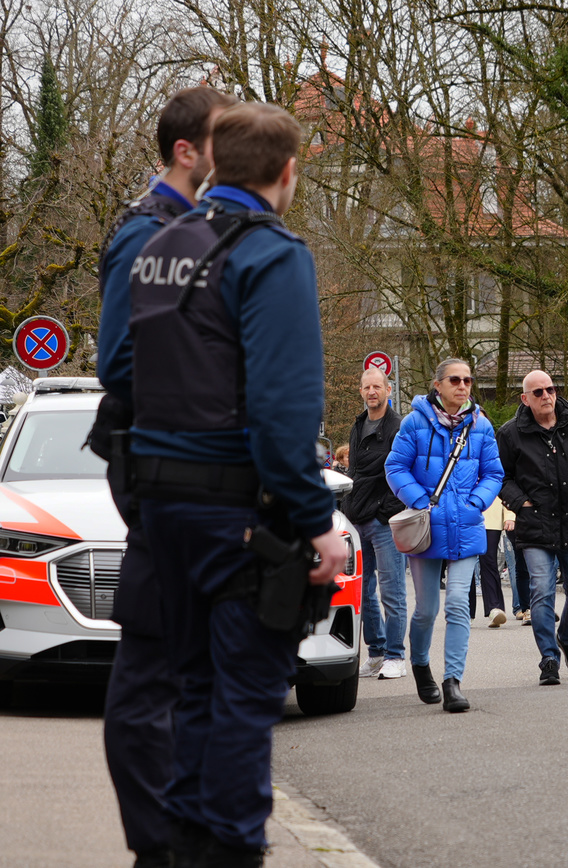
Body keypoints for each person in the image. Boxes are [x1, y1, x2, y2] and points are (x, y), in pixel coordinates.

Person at [128, 103, 349, 865]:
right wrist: (317, 520)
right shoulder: (271, 255)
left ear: (214, 163)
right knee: (245, 704)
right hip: (237, 516)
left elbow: (124, 375)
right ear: (287, 174)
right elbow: (284, 414)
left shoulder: (157, 246)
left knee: (190, 692)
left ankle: (181, 850)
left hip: (161, 508)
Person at [98, 85, 236, 868]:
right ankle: (160, 849)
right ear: (188, 152)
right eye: (223, 141)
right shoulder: (148, 236)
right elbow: (121, 361)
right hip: (162, 472)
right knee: (149, 675)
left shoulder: (190, 230)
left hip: (187, 471)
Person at [385, 359, 503, 712]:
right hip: (427, 528)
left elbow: (494, 473)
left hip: (466, 526)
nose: (463, 385)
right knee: (426, 610)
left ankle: (453, 681)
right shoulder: (414, 421)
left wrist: (475, 504)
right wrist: (422, 503)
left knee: (456, 604)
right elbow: (395, 467)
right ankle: (420, 663)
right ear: (438, 385)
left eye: (467, 380)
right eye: (455, 379)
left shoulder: (481, 425)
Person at [497, 370, 568, 686]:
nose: (546, 396)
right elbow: (499, 476)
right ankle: (548, 658)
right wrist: (521, 503)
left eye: (551, 389)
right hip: (535, 525)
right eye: (538, 392)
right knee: (541, 590)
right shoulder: (510, 434)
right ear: (525, 398)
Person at [345, 368, 408, 680]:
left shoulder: (399, 426)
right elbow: (355, 473)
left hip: (384, 522)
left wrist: (386, 512)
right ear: (361, 391)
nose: (372, 392)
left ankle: (396, 655)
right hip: (357, 520)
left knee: (392, 590)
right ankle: (376, 652)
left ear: (388, 389)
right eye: (366, 386)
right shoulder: (357, 424)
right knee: (363, 592)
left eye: (377, 386)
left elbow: (407, 472)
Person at [472, 497, 514, 626]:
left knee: (489, 562)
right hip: (464, 517)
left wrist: (509, 514)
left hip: (491, 516)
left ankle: (495, 608)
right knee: (465, 564)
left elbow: (506, 485)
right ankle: (465, 612)